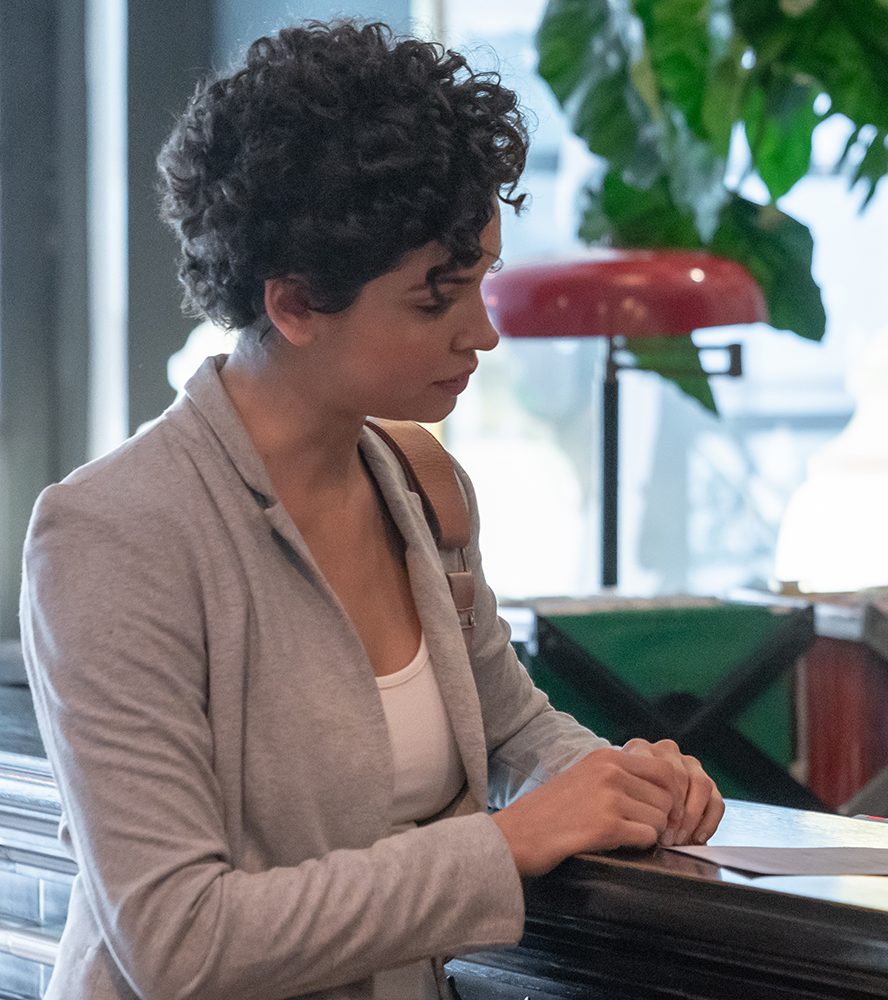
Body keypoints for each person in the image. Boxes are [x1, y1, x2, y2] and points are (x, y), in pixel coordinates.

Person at [19, 22, 723, 999]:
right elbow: (178, 941)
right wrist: (504, 846)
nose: (483, 333)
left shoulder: (422, 485)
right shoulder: (113, 534)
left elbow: (512, 729)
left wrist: (625, 781)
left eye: (482, 282)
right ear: (295, 304)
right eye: (437, 300)